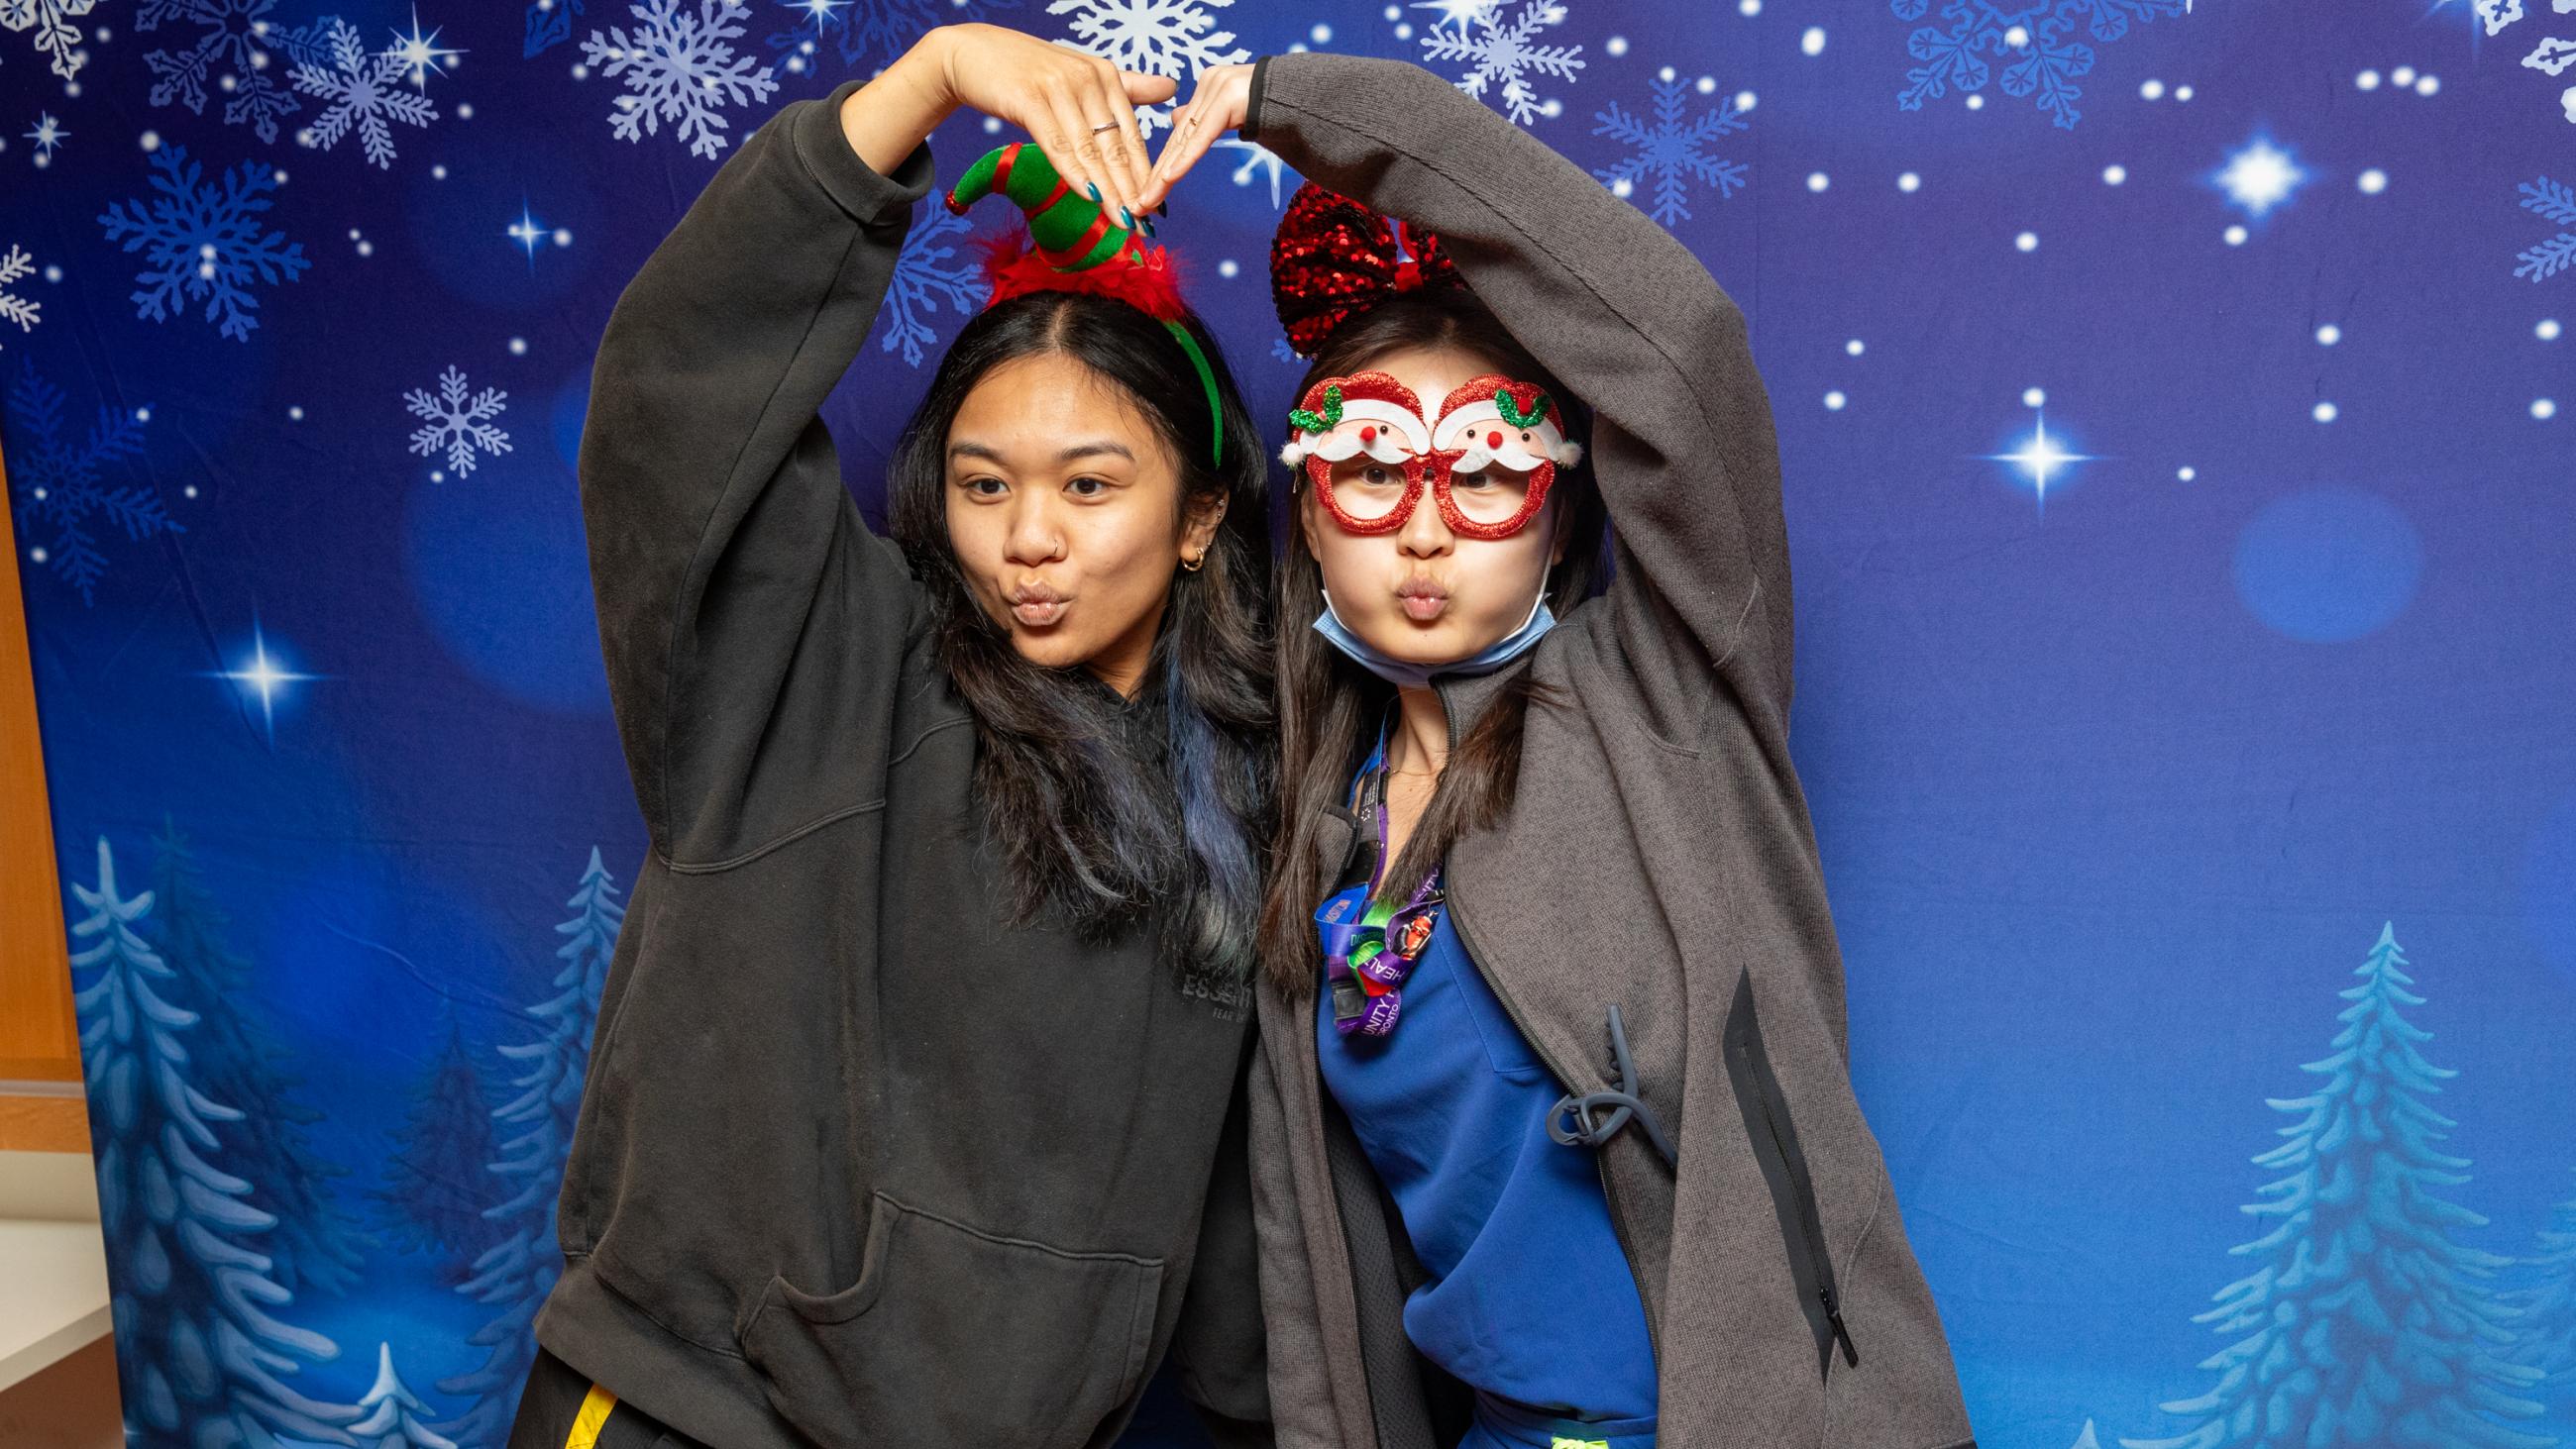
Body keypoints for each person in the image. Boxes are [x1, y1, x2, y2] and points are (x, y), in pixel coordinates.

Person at [1135, 52, 1980, 1449]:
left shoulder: (1668, 702)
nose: (1422, 526)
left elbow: (1681, 348)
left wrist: (1314, 108)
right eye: (1369, 468)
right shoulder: (1312, 824)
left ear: (1558, 508)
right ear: (1311, 506)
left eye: (1480, 469)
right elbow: (1308, 1259)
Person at [506, 25, 1276, 1449]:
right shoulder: (822, 670)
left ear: (1200, 519)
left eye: (1089, 485)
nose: (1028, 540)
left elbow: (1235, 1216)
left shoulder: (1250, 789)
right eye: (983, 484)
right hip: (696, 1415)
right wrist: (925, 80)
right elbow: (669, 394)